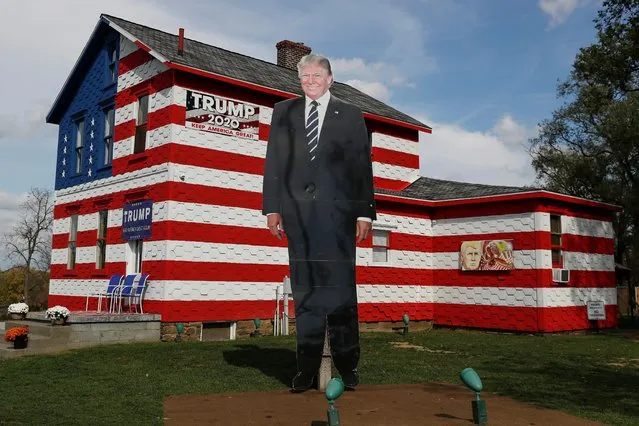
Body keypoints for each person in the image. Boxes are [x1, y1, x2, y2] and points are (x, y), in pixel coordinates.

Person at [262, 54, 376, 392]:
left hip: (340, 217)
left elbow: (360, 166)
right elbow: (275, 162)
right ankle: (306, 368)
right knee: (306, 293)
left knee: (340, 292)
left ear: (330, 79)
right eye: (305, 75)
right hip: (298, 218)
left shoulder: (351, 114)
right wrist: (272, 208)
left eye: (317, 75)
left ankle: (348, 364)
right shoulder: (284, 112)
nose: (310, 80)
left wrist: (364, 211)